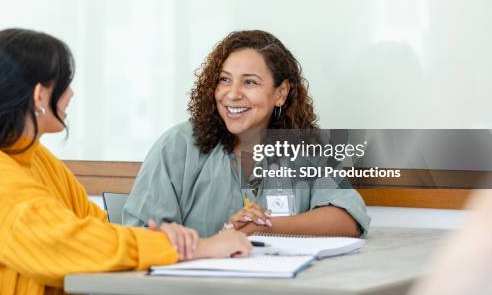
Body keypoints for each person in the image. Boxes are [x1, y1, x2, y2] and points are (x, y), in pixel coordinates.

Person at [0, 29, 251, 295]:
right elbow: (67, 247)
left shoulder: (32, 157)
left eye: (250, 83)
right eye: (65, 84)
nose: (71, 94)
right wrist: (198, 247)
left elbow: (95, 231)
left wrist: (168, 239)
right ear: (39, 95)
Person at [123, 30, 370, 238]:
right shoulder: (177, 146)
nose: (232, 94)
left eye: (249, 82)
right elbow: (143, 235)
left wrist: (262, 226)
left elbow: (348, 218)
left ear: (281, 93)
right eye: (224, 80)